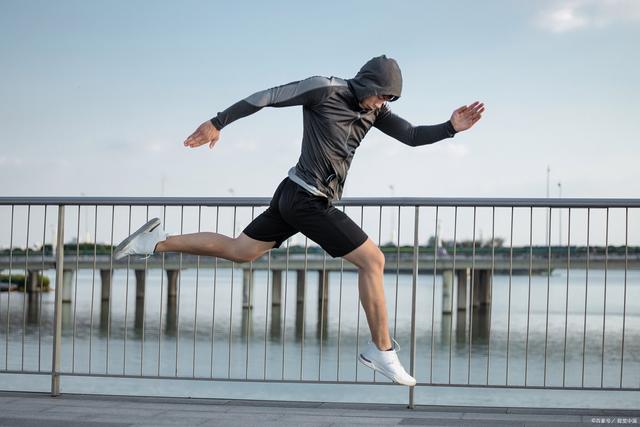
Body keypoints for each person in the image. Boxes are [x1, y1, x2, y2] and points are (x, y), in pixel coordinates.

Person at [114, 55, 484, 387]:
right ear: (370, 85)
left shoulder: (375, 112)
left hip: (293, 195)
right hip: (306, 198)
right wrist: (217, 122)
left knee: (240, 250)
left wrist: (450, 127)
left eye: (389, 100)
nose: (383, 104)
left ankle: (156, 241)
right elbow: (268, 96)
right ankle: (381, 350)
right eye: (382, 96)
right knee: (374, 260)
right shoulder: (324, 89)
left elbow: (413, 136)